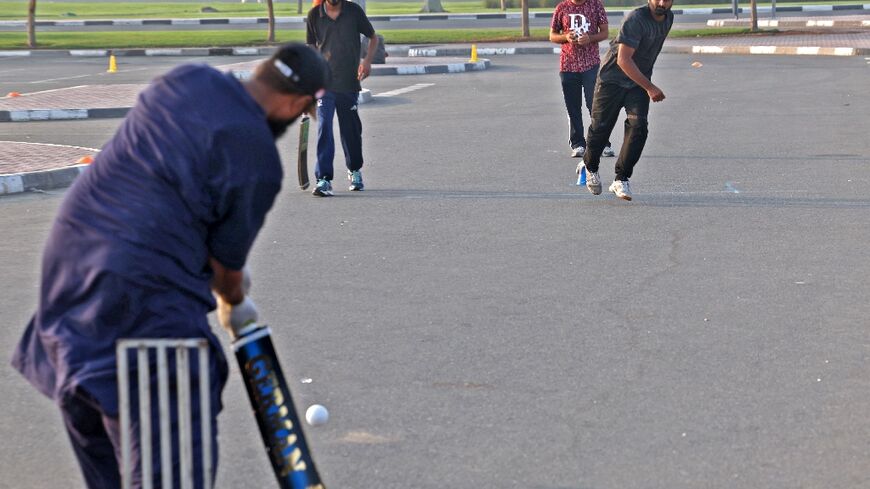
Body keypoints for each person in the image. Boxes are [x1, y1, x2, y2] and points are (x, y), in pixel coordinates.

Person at [10, 43, 329, 488]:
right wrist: (235, 305)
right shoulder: (255, 155)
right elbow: (226, 270)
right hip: (145, 320)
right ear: (298, 105)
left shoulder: (188, 79)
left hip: (67, 297)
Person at [580, 0, 674, 201]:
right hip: (611, 80)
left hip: (637, 82)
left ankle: (621, 178)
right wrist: (650, 87)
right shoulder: (636, 19)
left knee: (638, 127)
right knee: (601, 129)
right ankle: (590, 166)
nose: (662, 2)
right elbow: (623, 59)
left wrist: (644, 84)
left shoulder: (668, 18)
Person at [306, 0, 378, 196]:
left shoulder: (353, 11)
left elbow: (373, 37)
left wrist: (367, 61)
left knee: (350, 130)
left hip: (348, 83)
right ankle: (323, 179)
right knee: (324, 127)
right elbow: (311, 47)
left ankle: (354, 170)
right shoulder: (314, 15)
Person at [549, 0, 614, 160]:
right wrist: (565, 37)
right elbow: (552, 35)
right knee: (573, 107)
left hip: (590, 64)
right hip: (568, 65)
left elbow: (605, 32)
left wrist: (590, 38)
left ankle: (602, 143)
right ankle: (578, 144)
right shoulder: (562, 7)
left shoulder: (596, 5)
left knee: (595, 105)